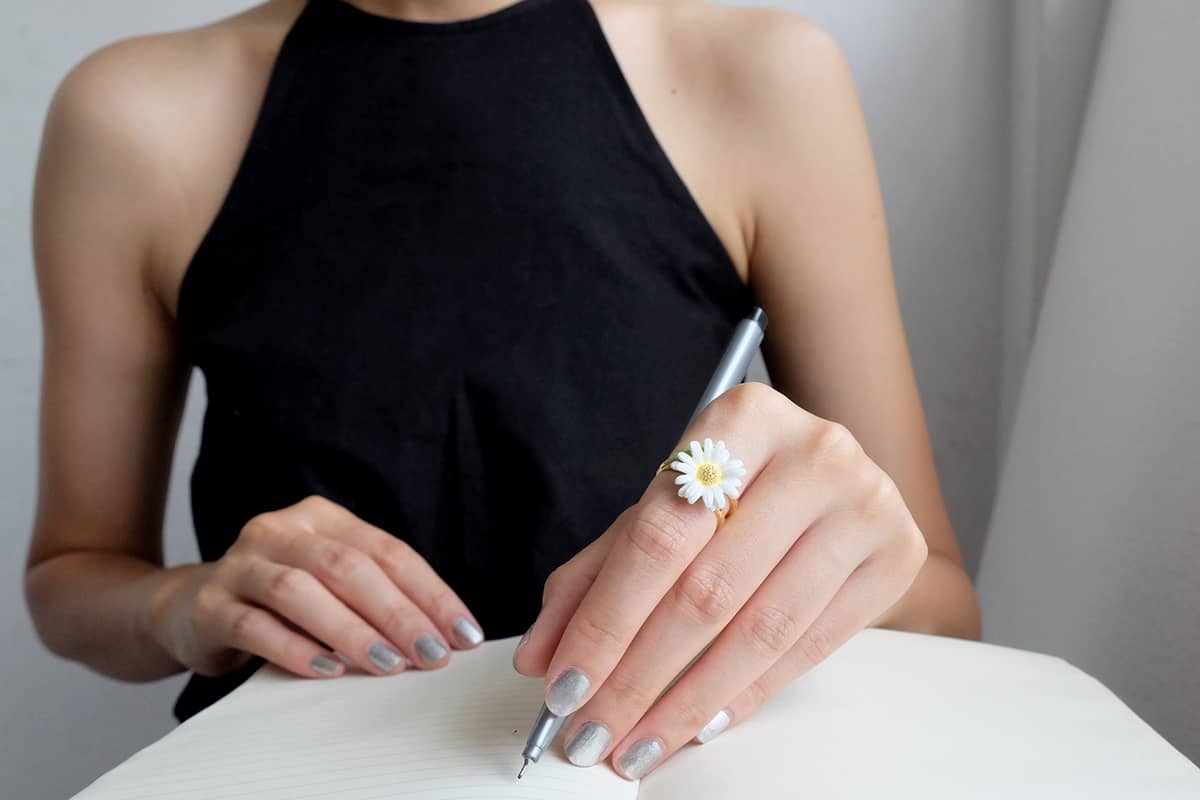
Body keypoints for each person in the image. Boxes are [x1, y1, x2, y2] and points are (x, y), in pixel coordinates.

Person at [26, 0, 980, 781]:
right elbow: (72, 577)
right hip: (289, 774)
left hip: (655, 775)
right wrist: (187, 607)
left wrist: (807, 559)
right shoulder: (131, 116)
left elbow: (937, 602)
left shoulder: (763, 73)